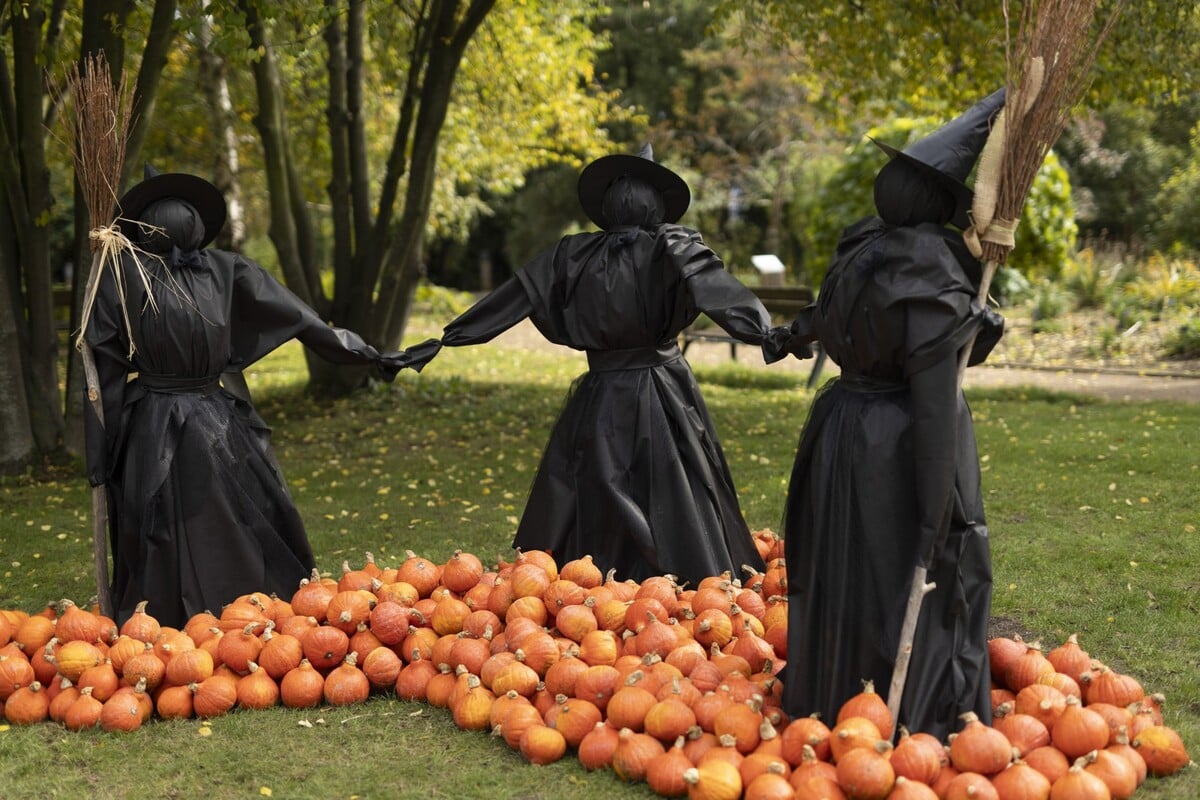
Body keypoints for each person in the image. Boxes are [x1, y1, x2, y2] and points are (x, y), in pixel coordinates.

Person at [400, 145, 807, 586]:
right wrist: (767, 333)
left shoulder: (572, 255)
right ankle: (685, 573)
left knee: (597, 476)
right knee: (675, 477)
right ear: (656, 203)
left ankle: (591, 579)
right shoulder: (673, 246)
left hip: (602, 392)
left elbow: (513, 297)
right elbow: (717, 290)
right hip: (663, 389)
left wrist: (447, 338)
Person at [780, 90, 1007, 740]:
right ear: (939, 200)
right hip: (899, 439)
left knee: (851, 556)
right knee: (903, 560)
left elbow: (827, 320)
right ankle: (910, 713)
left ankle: (834, 691)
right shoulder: (924, 266)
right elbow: (935, 401)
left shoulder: (862, 251)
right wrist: (938, 511)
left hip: (841, 427)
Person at [83, 166, 402, 628]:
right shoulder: (136, 275)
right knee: (206, 512)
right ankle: (218, 609)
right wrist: (365, 354)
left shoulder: (147, 275)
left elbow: (104, 373)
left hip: (167, 419)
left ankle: (195, 613)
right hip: (198, 418)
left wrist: (101, 454)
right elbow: (304, 319)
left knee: (211, 511)